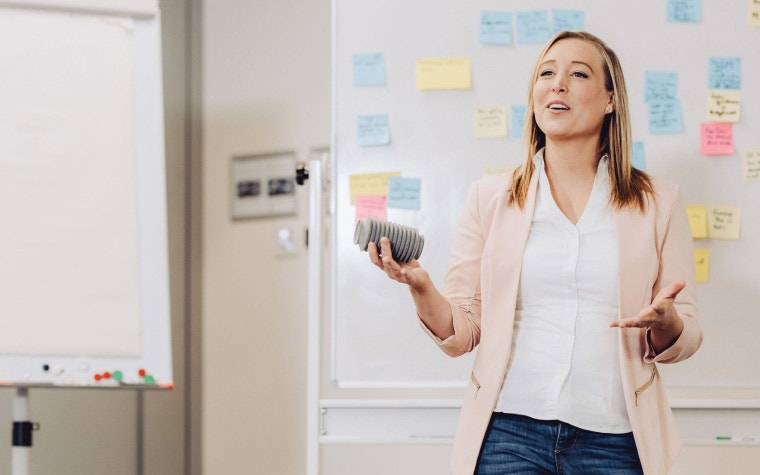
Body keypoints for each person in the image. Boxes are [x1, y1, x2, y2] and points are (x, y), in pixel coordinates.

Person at [368, 30, 703, 475]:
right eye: (546, 73)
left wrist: (668, 323)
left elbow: (687, 334)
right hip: (510, 433)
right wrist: (421, 288)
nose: (557, 84)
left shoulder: (659, 201)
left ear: (610, 100)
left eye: (577, 74)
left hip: (616, 439)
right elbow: (462, 332)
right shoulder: (489, 199)